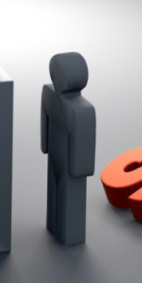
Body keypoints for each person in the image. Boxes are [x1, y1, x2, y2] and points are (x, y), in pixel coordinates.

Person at [41, 52, 96, 245]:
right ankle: (53, 226)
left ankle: (69, 236)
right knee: (53, 192)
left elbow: (84, 144)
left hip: (70, 162)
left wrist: (80, 169)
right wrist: (44, 145)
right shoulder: (49, 94)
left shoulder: (81, 110)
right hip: (55, 155)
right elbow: (45, 119)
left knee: (69, 199)